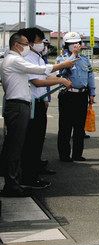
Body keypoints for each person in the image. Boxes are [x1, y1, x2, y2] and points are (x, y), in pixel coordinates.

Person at [0, 31, 76, 197]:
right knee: (15, 146)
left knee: (16, 145)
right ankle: (11, 185)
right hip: (17, 106)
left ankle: (13, 182)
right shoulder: (14, 60)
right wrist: (63, 66)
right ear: (16, 45)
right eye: (25, 44)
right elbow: (39, 70)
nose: (27, 47)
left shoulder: (12, 59)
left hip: (19, 105)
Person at [21, 28, 73, 188]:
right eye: (39, 40)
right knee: (32, 142)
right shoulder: (28, 58)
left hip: (40, 103)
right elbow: (36, 81)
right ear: (29, 42)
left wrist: (57, 80)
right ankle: (29, 178)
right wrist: (60, 81)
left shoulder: (36, 57)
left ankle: (35, 171)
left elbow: (44, 76)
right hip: (32, 105)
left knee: (37, 140)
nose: (42, 44)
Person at [56, 32, 96, 162]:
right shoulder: (61, 59)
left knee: (79, 127)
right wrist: (73, 55)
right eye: (72, 44)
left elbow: (90, 76)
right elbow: (61, 72)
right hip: (67, 95)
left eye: (78, 43)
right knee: (65, 127)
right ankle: (64, 155)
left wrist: (92, 93)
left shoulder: (85, 60)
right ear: (66, 45)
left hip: (82, 95)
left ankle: (77, 154)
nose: (76, 46)